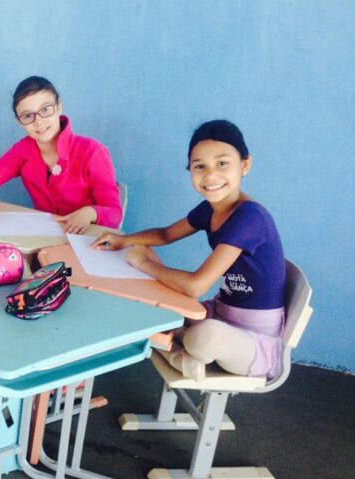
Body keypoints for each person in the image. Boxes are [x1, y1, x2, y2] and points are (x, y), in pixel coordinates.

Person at [92, 119, 285, 381]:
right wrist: (123, 240)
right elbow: (165, 234)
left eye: (222, 163)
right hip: (219, 312)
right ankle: (179, 351)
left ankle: (177, 344)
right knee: (144, 313)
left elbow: (196, 286)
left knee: (207, 337)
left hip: (252, 340)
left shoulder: (249, 217)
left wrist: (146, 263)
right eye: (199, 166)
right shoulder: (210, 209)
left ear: (245, 165)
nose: (210, 175)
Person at [0, 76, 122, 234]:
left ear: (59, 106)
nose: (38, 122)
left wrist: (90, 212)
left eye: (45, 110)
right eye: (28, 116)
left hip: (88, 240)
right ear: (19, 121)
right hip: (45, 238)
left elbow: (114, 214)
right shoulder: (22, 151)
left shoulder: (92, 152)